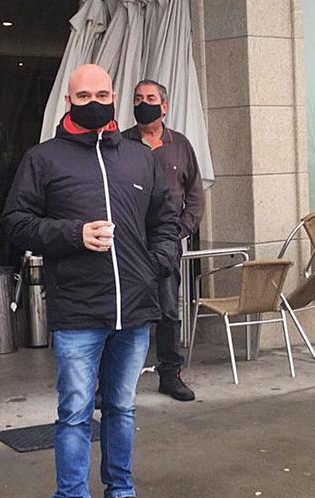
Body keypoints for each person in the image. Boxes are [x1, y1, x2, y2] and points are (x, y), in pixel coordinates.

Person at [1, 64, 177, 498]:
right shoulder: (43, 159)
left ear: (114, 96)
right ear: (69, 102)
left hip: (135, 306)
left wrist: (158, 263)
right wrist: (72, 235)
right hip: (78, 309)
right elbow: (15, 223)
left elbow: (167, 218)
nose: (95, 101)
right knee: (76, 413)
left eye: (103, 93)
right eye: (85, 95)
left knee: (121, 408)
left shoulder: (141, 159)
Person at [122, 79, 205, 402]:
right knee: (124, 312)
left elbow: (196, 195)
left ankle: (170, 375)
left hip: (166, 242)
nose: (144, 102)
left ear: (164, 106)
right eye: (139, 98)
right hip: (130, 243)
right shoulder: (121, 143)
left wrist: (179, 230)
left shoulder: (180, 145)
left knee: (169, 311)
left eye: (151, 98)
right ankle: (115, 381)